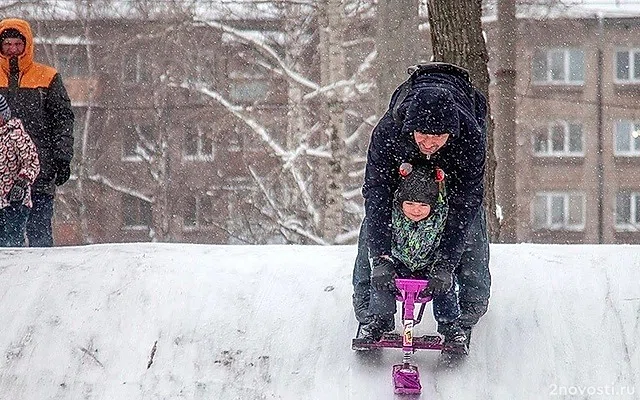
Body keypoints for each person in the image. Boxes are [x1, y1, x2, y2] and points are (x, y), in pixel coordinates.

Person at [353, 62, 491, 350]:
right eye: (424, 137)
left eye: (437, 137)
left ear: (450, 133)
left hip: (452, 171)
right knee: (373, 225)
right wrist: (381, 257)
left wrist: (445, 264)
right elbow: (376, 194)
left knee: (472, 227)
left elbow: (465, 203)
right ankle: (371, 311)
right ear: (411, 129)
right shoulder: (388, 133)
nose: (429, 144)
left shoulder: (470, 138)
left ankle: (466, 310)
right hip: (401, 168)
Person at [359, 161, 469, 353]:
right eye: (409, 204)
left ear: (432, 205)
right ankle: (379, 321)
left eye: (422, 205)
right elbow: (379, 235)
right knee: (381, 282)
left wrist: (442, 266)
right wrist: (383, 262)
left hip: (429, 265)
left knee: (444, 286)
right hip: (399, 262)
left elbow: (451, 242)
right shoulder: (392, 216)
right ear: (401, 202)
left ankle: (449, 324)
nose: (415, 210)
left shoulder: (441, 219)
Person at [0, 18, 74, 247]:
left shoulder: (47, 77)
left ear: (27, 45)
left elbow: (62, 119)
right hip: (2, 177)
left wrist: (62, 158)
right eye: (7, 44)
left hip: (40, 172)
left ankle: (43, 282)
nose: (12, 49)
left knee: (39, 237)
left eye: (17, 44)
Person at [0, 94, 40, 246]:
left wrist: (22, 182)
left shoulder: (17, 136)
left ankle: (16, 265)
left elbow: (32, 162)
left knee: (11, 241)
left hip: (14, 201)